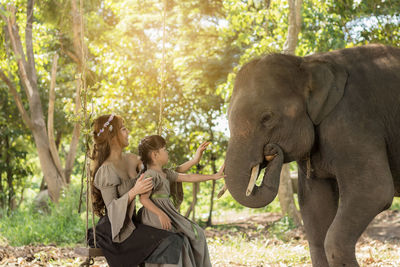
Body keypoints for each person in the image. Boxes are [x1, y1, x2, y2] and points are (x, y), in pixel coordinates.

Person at [90, 114, 209, 267]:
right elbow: (112, 209)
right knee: (172, 242)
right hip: (116, 231)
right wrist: (134, 191)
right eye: (124, 129)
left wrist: (194, 160)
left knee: (183, 238)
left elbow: (162, 174)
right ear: (112, 136)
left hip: (134, 223)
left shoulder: (133, 159)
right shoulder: (107, 170)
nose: (128, 132)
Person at [138, 135, 225, 267]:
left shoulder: (165, 173)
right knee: (175, 240)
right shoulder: (150, 175)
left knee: (196, 233)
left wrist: (213, 176)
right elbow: (143, 199)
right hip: (154, 215)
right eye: (165, 149)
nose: (167, 152)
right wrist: (161, 214)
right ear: (155, 155)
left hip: (167, 211)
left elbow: (188, 176)